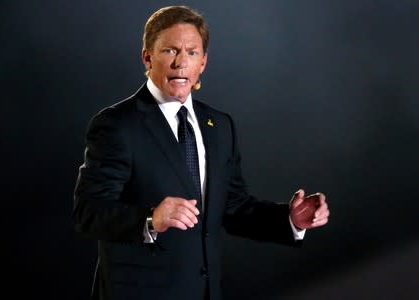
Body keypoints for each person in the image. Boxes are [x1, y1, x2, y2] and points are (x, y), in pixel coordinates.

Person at [73, 5, 330, 300]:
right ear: (147, 56)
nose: (181, 62)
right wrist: (150, 219)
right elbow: (88, 211)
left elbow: (234, 207)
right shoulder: (117, 124)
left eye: (192, 52)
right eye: (170, 51)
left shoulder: (219, 126)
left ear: (203, 62)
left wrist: (290, 219)